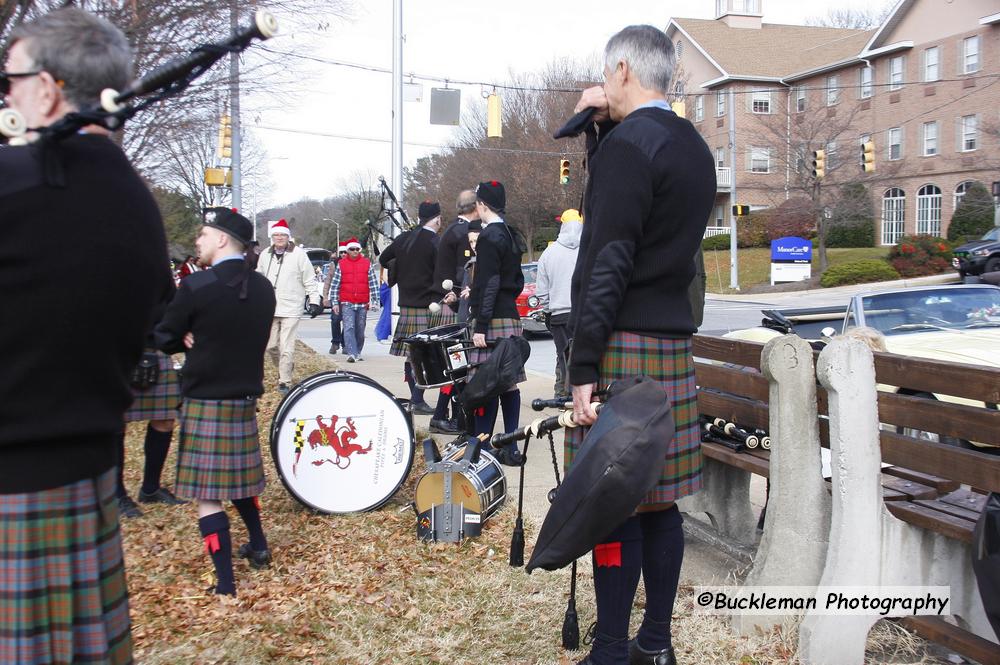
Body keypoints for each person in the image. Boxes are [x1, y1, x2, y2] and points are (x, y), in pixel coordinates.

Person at [0, 8, 174, 663]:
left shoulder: (14, 186)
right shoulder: (136, 204)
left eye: (9, 79)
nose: (5, 94)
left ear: (45, 88)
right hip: (84, 484)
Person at [566, 26, 716, 665]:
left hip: (623, 347)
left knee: (614, 506)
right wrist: (600, 131)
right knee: (659, 507)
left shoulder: (630, 146)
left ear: (621, 69)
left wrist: (583, 364)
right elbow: (648, 231)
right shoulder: (692, 146)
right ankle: (656, 644)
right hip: (669, 348)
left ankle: (608, 651)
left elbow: (610, 257)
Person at [155, 208, 276, 596]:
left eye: (204, 234)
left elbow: (164, 337)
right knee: (239, 483)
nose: (198, 241)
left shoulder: (197, 287)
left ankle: (224, 584)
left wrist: (185, 336)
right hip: (243, 399)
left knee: (208, 495)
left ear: (222, 239)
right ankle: (258, 546)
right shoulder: (263, 288)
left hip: (205, 400)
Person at [379, 201, 455, 429]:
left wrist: (400, 270)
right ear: (438, 219)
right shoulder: (436, 242)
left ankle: (417, 398)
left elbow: (384, 259)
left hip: (408, 305)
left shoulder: (403, 239)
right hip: (433, 304)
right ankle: (430, 403)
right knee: (443, 356)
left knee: (411, 355)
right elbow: (445, 273)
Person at [467, 181, 526, 449]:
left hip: (492, 319)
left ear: (483, 205)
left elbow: (490, 282)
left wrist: (480, 324)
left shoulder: (490, 237)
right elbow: (519, 280)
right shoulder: (511, 234)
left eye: (477, 203)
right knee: (509, 381)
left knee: (487, 381)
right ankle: (510, 445)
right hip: (510, 315)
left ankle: (483, 444)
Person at [115, 311, 188, 518]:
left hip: (156, 349)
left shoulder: (160, 276)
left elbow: (174, 304)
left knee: (165, 419)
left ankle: (150, 489)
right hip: (118, 351)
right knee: (116, 422)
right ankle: (116, 494)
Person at [256, 218, 322, 393]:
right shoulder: (265, 255)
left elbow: (309, 278)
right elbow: (258, 278)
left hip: (291, 306)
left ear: (288, 237)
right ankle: (285, 367)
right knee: (270, 346)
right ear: (272, 236)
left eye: (282, 235)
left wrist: (314, 300)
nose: (279, 238)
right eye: (276, 234)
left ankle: (284, 380)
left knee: (287, 346)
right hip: (270, 307)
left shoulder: (299, 255)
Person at [535, 208, 583, 399]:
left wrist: (548, 309)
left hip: (559, 315)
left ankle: (562, 393)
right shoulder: (588, 250)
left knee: (562, 355)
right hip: (583, 313)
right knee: (585, 354)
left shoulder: (548, 253)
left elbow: (542, 291)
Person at [329, 238, 379, 362]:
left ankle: (358, 351)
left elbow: (373, 283)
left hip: (362, 303)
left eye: (357, 249)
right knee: (349, 327)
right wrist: (335, 302)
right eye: (352, 249)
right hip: (346, 302)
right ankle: (351, 352)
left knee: (360, 329)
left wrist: (376, 300)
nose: (355, 251)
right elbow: (335, 285)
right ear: (347, 250)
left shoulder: (367, 263)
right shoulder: (341, 264)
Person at [433, 189, 480, 320]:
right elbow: (465, 270)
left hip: (448, 295)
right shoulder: (466, 231)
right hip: (457, 298)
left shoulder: (453, 228)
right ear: (475, 206)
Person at [322, 241, 348, 354]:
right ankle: (335, 342)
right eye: (341, 252)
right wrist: (325, 296)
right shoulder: (334, 264)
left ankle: (345, 344)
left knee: (348, 322)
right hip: (336, 297)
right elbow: (328, 281)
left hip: (349, 297)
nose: (343, 254)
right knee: (335, 319)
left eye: (345, 252)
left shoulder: (352, 263)